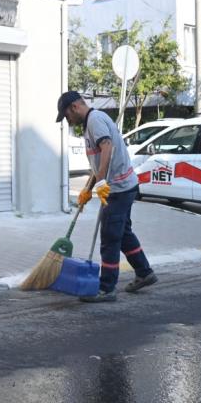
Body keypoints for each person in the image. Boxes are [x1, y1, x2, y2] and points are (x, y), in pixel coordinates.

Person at [57, 91, 157, 302]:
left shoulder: (95, 121)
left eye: (66, 116)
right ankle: (144, 272)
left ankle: (107, 288)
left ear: (74, 107)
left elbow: (107, 147)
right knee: (123, 233)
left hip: (119, 189)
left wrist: (101, 182)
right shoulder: (89, 124)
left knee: (110, 237)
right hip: (120, 187)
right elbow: (98, 163)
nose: (67, 121)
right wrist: (88, 188)